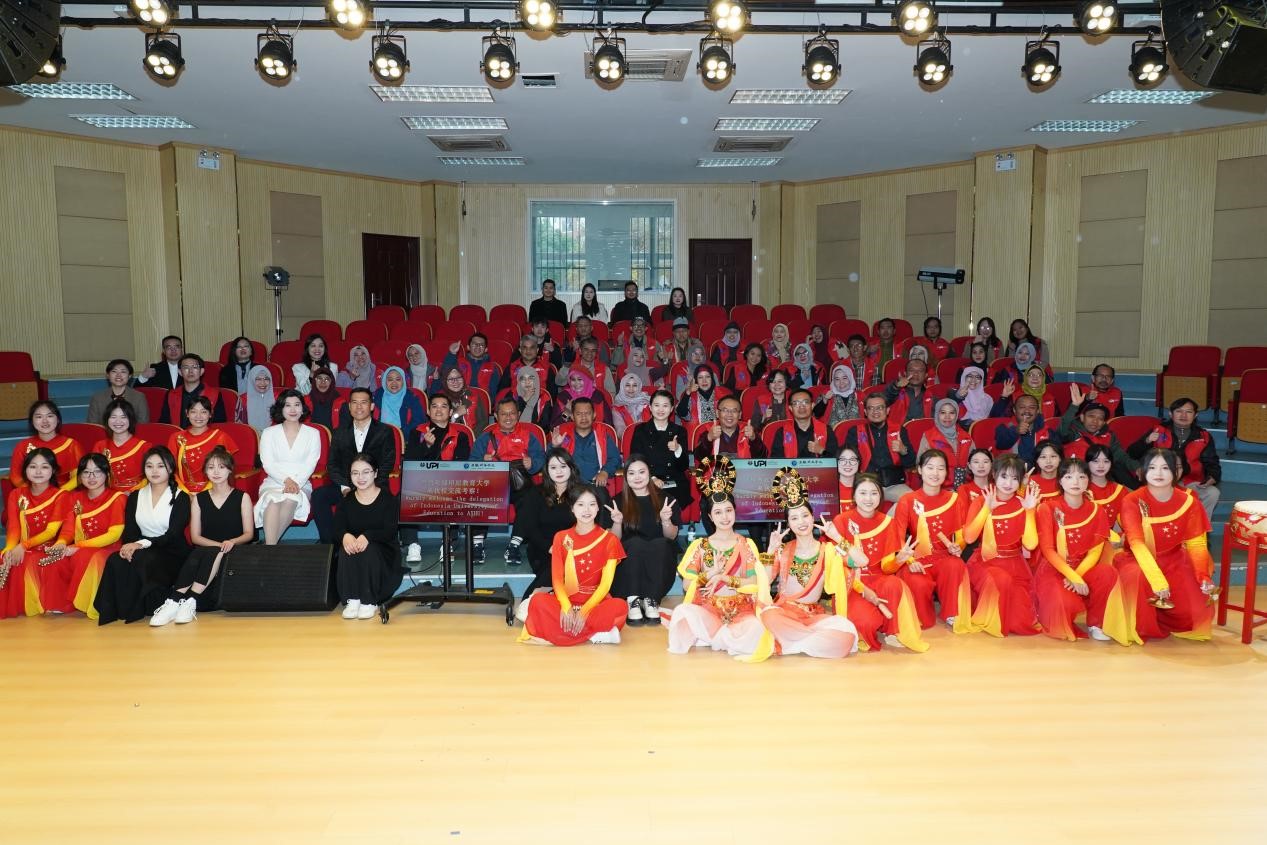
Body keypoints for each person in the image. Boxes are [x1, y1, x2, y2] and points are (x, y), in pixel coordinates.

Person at [748, 470, 859, 661]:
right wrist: (770, 550)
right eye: (794, 518)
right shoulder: (783, 550)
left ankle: (788, 642)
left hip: (812, 616)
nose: (801, 522)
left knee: (846, 630)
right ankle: (802, 641)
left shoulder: (828, 550)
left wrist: (837, 537)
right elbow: (763, 582)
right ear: (788, 524)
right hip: (783, 613)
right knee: (768, 615)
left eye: (804, 515)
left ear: (812, 517)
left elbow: (860, 561)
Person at [1113, 448, 1216, 642]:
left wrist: (1202, 575)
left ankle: (1162, 614)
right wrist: (1157, 579)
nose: (1158, 473)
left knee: (1194, 615)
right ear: (1143, 471)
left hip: (1175, 559)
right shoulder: (1132, 500)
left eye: (1165, 468)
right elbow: (1136, 542)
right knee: (1135, 577)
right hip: (1139, 560)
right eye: (1152, 467)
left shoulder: (1189, 502)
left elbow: (1196, 543)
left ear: (1176, 472)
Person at [665, 472, 770, 657]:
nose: (725, 517)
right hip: (709, 610)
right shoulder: (701, 546)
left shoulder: (746, 544)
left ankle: (715, 637)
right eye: (718, 512)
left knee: (756, 629)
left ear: (735, 511)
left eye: (728, 510)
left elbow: (754, 581)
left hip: (740, 611)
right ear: (710, 517)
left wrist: (725, 578)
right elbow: (687, 585)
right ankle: (723, 637)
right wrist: (709, 574)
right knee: (682, 612)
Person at [822, 474, 929, 652]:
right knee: (866, 623)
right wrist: (863, 589)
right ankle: (876, 618)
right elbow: (838, 565)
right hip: (850, 582)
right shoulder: (841, 521)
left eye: (874, 493)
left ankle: (892, 630)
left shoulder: (888, 522)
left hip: (879, 579)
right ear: (854, 496)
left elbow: (886, 569)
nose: (868, 498)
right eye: (863, 493)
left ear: (881, 496)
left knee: (894, 583)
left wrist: (899, 560)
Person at [1035, 456, 1134, 645]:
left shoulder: (1097, 510)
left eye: (1081, 477)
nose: (1076, 482)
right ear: (1060, 481)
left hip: (1083, 568)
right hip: (1055, 569)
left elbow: (1095, 552)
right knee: (1063, 604)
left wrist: (1078, 576)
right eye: (1069, 477)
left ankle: (1096, 623)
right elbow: (1047, 550)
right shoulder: (1047, 508)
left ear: (1088, 481)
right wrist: (1072, 576)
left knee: (1107, 573)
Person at [150, 446, 254, 626]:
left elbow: (249, 533)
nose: (216, 472)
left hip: (234, 551)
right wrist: (218, 545)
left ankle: (184, 600)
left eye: (221, 467)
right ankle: (176, 603)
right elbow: (196, 537)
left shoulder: (242, 497)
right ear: (205, 471)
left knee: (211, 552)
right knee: (202, 552)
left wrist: (231, 542)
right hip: (207, 552)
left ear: (230, 470)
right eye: (211, 467)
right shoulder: (199, 499)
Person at [518, 486, 627, 646]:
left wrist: (584, 611)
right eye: (580, 504)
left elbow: (605, 585)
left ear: (598, 508)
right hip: (566, 601)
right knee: (538, 601)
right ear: (572, 508)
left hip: (596, 603)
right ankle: (594, 635)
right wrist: (566, 606)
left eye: (592, 504)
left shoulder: (610, 540)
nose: (587, 510)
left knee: (620, 606)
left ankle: (560, 634)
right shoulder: (561, 537)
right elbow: (557, 579)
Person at [93, 446, 191, 625]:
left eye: (160, 466)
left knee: (145, 559)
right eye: (149, 466)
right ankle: (117, 610)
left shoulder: (181, 497)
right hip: (142, 547)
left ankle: (143, 609)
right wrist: (128, 546)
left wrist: (141, 545)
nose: (154, 471)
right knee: (116, 559)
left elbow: (173, 535)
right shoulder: (136, 496)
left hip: (172, 551)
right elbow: (130, 530)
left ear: (170, 468)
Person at [961, 454, 1042, 638]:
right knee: (1001, 581)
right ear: (994, 474)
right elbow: (969, 538)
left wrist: (1030, 511)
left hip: (1015, 564)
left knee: (1020, 624)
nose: (1008, 483)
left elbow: (1030, 544)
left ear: (1020, 481)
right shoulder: (982, 500)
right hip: (985, 562)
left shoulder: (1023, 503)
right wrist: (986, 509)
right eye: (1004, 476)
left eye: (1014, 478)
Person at [892, 449, 972, 630]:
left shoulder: (955, 499)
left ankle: (951, 612)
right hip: (918, 559)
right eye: (930, 467)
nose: (935, 473)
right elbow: (897, 536)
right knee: (917, 584)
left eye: (940, 468)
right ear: (920, 470)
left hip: (944, 557)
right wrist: (909, 560)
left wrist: (957, 547)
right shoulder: (907, 500)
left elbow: (961, 534)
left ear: (946, 472)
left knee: (956, 565)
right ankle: (922, 615)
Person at [313, 387, 397, 545]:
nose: (359, 407)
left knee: (389, 500)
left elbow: (387, 463)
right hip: (346, 486)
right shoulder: (339, 432)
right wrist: (346, 486)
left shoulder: (384, 431)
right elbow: (332, 464)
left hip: (374, 486)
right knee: (319, 496)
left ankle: (376, 543)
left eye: (363, 402)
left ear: (372, 406)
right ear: (349, 407)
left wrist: (369, 486)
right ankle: (330, 546)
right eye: (354, 403)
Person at [471, 397, 548, 563]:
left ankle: (514, 544)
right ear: (496, 416)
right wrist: (482, 461)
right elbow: (471, 462)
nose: (508, 417)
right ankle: (477, 545)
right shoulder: (486, 437)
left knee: (532, 497)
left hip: (519, 483)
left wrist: (532, 463)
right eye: (503, 414)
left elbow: (541, 458)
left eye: (512, 413)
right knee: (477, 493)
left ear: (518, 414)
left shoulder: (528, 436)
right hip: (492, 484)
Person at [608, 455, 680, 626]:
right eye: (631, 473)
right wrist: (617, 523)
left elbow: (671, 536)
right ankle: (632, 600)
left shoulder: (666, 500)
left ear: (649, 473)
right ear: (625, 477)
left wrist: (665, 520)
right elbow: (613, 541)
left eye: (642, 472)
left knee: (661, 543)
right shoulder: (617, 502)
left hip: (659, 562)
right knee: (635, 542)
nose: (637, 477)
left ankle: (651, 600)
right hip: (628, 565)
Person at [0, 448, 70, 617]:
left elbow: (51, 531)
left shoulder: (61, 495)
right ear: (25, 470)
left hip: (49, 549)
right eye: (33, 466)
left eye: (44, 467)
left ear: (53, 470)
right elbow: (14, 527)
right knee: (4, 557)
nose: (38, 471)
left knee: (33, 560)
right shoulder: (16, 494)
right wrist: (9, 548)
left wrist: (24, 546)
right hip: (23, 547)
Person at [334, 453, 403, 621]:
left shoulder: (388, 499)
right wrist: (345, 536)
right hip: (356, 553)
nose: (360, 477)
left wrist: (368, 536)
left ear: (375, 473)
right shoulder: (347, 501)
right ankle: (352, 599)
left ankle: (369, 600)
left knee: (369, 549)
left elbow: (389, 531)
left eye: (366, 472)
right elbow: (337, 528)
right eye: (355, 473)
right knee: (346, 549)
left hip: (383, 553)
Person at [59, 453, 127, 619]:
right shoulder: (74, 498)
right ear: (79, 476)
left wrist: (78, 546)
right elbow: (68, 530)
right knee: (57, 556)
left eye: (97, 472)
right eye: (86, 472)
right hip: (80, 547)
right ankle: (63, 603)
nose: (91, 477)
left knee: (85, 556)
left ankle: (92, 604)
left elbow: (114, 535)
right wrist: (60, 543)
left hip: (110, 548)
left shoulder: (117, 498)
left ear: (107, 474)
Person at [1129, 397, 1220, 519]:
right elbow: (1132, 453)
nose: (1183, 415)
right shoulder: (1158, 430)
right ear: (1171, 414)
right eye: (1179, 411)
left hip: (1189, 481)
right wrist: (1147, 441)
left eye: (1188, 412)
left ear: (1195, 415)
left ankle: (1197, 525)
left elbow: (1212, 462)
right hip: (1160, 479)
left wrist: (1213, 476)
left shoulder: (1204, 436)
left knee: (1212, 493)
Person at [514, 449, 588, 597]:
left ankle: (530, 600)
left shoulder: (582, 493)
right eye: (553, 467)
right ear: (547, 471)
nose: (558, 471)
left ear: (571, 468)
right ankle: (531, 600)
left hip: (573, 548)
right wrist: (550, 548)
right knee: (556, 565)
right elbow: (531, 528)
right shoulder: (535, 493)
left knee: (564, 564)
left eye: (563, 466)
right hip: (543, 548)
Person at [255, 390, 321, 545]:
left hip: (301, 482)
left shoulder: (313, 433)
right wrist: (286, 480)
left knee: (291, 499)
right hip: (274, 481)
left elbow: (311, 463)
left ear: (303, 408)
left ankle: (269, 548)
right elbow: (267, 463)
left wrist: (295, 482)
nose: (293, 409)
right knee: (272, 501)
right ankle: (271, 548)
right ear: (280, 408)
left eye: (297, 405)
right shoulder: (268, 433)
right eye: (287, 405)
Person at [843, 393, 914, 501]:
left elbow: (911, 463)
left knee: (913, 502)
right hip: (866, 483)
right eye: (871, 408)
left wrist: (903, 450)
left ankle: (891, 513)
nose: (875, 411)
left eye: (880, 407)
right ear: (865, 412)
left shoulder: (899, 431)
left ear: (887, 410)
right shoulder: (855, 432)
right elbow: (847, 460)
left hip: (893, 484)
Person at [629, 390, 691, 507]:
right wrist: (652, 478)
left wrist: (678, 449)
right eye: (657, 405)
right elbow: (635, 459)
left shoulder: (680, 431)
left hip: (673, 481)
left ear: (671, 409)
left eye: (665, 406)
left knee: (673, 501)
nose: (661, 409)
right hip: (646, 479)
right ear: (650, 408)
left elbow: (684, 466)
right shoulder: (641, 430)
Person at [9, 400, 83, 490]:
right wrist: (36, 492)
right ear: (32, 421)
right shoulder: (22, 446)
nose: (45, 421)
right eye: (39, 417)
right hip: (32, 493)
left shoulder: (71, 445)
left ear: (58, 419)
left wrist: (58, 493)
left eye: (50, 416)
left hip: (64, 493)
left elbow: (80, 475)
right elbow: (16, 478)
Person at [551, 396, 622, 488]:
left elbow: (615, 458)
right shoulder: (563, 434)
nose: (583, 417)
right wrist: (555, 447)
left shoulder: (602, 434)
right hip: (569, 486)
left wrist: (605, 471)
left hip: (595, 485)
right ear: (572, 416)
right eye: (579, 414)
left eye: (588, 413)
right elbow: (549, 462)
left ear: (594, 415)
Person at [92, 398, 149, 491]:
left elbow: (149, 478)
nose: (118, 421)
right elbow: (95, 476)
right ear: (107, 420)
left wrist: (130, 493)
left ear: (131, 419)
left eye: (123, 417)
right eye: (113, 417)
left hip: (136, 494)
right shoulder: (100, 446)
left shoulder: (144, 447)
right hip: (108, 495)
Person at [159, 354, 228, 427]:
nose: (190, 371)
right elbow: (164, 424)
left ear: (201, 371)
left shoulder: (214, 394)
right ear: (180, 372)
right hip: (178, 434)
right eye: (186, 367)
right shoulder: (171, 395)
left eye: (194, 367)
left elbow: (219, 424)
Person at [918, 399, 973, 488]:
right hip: (937, 486)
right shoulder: (928, 436)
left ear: (957, 415)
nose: (947, 416)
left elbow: (973, 463)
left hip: (965, 486)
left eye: (952, 413)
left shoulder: (965, 436)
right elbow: (920, 463)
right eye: (943, 412)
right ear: (937, 414)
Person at [772, 388, 838, 458]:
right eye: (796, 403)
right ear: (790, 408)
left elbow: (835, 460)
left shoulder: (826, 430)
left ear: (812, 405)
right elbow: (776, 461)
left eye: (805, 402)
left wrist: (821, 451)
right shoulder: (782, 432)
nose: (801, 406)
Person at [694, 395, 764, 461]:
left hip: (742, 470)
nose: (729, 414)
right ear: (717, 413)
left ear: (740, 415)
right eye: (725, 410)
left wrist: (754, 439)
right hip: (716, 469)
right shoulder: (709, 431)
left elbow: (762, 457)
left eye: (734, 411)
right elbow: (699, 458)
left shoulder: (749, 431)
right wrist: (709, 438)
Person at [993, 394, 1053, 468]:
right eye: (1022, 407)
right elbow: (1000, 444)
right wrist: (1015, 431)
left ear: (1037, 411)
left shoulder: (1047, 431)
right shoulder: (1004, 428)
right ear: (1014, 410)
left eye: (1032, 407)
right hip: (1012, 471)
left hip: (1040, 471)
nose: (1027, 411)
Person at [87, 358, 150, 426]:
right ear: (108, 375)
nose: (118, 375)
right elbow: (92, 425)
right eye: (114, 371)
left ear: (129, 376)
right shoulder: (97, 398)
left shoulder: (139, 397)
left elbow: (143, 425)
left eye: (123, 372)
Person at [440, 333, 501, 398]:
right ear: (468, 347)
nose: (478, 346)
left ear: (486, 349)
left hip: (481, 401)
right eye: (474, 344)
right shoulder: (459, 363)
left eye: (481, 345)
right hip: (458, 399)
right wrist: (452, 353)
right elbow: (444, 373)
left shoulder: (492, 368)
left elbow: (494, 392)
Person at [1086, 444, 1128, 530]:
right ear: (1087, 463)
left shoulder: (1119, 490)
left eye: (1106, 461)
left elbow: (1128, 521)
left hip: (1113, 537)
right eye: (1096, 461)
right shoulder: (1080, 490)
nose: (1101, 466)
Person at [436, 365, 485, 432]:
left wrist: (471, 436)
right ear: (445, 381)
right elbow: (438, 426)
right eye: (451, 379)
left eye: (458, 377)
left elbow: (483, 422)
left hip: (473, 436)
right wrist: (455, 415)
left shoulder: (473, 396)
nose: (455, 381)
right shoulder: (439, 399)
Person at [815, 363, 859, 427]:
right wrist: (825, 400)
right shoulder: (827, 394)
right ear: (833, 381)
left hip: (857, 431)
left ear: (850, 378)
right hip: (831, 431)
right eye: (837, 379)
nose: (841, 382)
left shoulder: (859, 395)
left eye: (844, 378)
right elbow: (816, 414)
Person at [612, 373, 651, 440]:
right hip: (630, 441)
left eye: (634, 385)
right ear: (622, 386)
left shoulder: (648, 402)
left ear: (639, 386)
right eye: (627, 385)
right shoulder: (617, 407)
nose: (631, 388)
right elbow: (620, 431)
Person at [239, 364, 276, 433]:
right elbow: (240, 426)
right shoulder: (242, 400)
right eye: (258, 379)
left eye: (266, 379)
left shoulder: (277, 398)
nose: (263, 383)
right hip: (249, 435)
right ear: (252, 380)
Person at [837, 447, 861, 511]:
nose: (848, 464)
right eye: (843, 460)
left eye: (852, 460)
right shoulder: (829, 489)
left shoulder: (866, 487)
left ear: (858, 463)